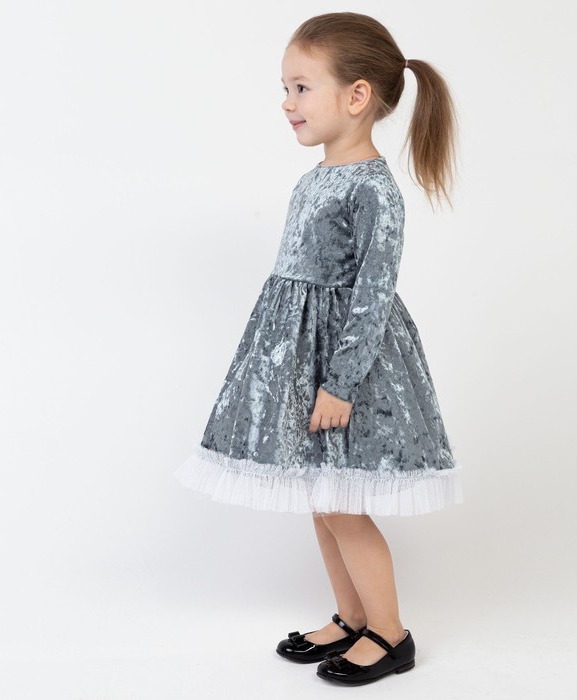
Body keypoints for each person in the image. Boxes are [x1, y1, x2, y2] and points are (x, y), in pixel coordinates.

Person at [173, 11, 465, 686]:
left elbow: (372, 293)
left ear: (357, 95)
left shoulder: (374, 189)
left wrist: (341, 383)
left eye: (302, 87)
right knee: (321, 498)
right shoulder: (314, 179)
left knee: (342, 503)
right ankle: (351, 616)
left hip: (347, 368)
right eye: (286, 88)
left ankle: (390, 635)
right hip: (299, 362)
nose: (287, 102)